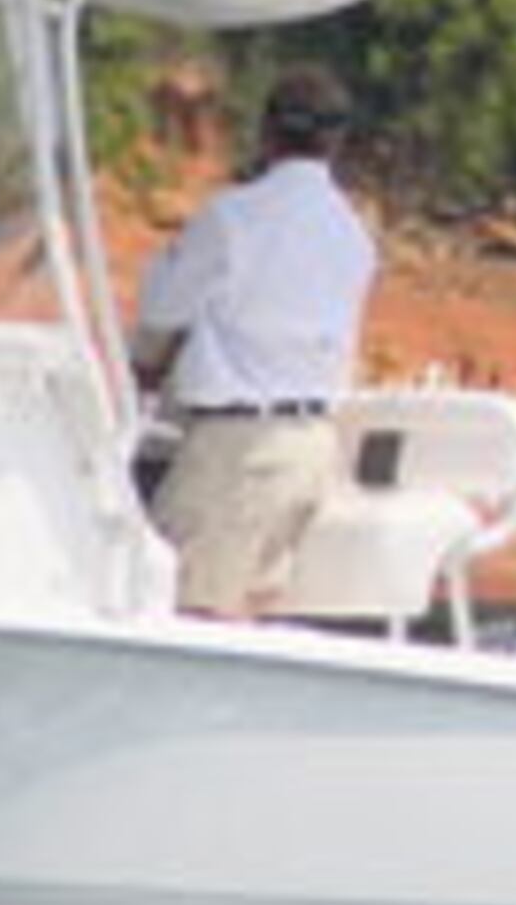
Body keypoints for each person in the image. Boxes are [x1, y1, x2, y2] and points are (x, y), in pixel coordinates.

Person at [132, 66, 376, 618]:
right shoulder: (353, 234)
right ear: (335, 141)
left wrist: (144, 366)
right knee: (252, 616)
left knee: (179, 614)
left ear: (267, 133)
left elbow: (162, 312)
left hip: (239, 452)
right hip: (312, 449)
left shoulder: (232, 217)